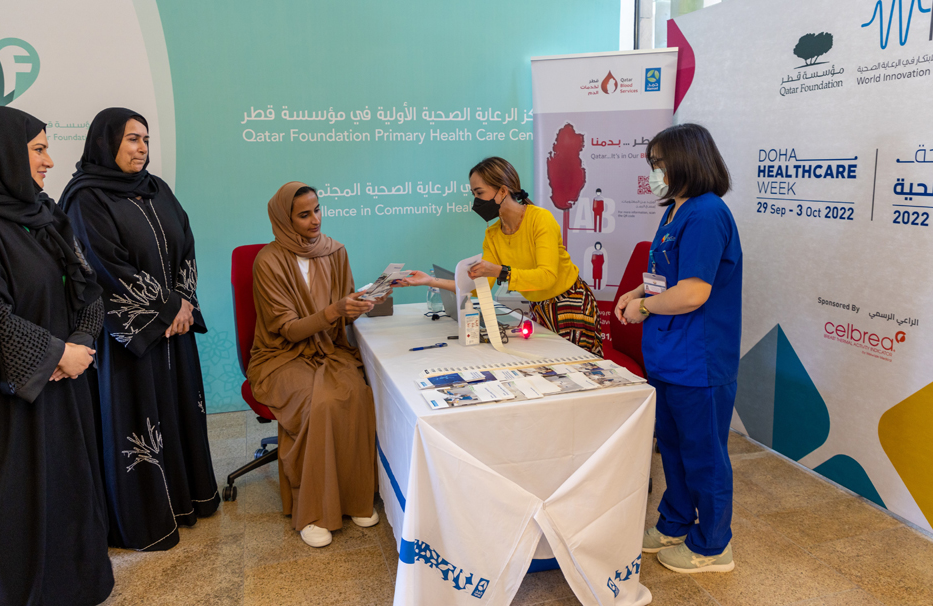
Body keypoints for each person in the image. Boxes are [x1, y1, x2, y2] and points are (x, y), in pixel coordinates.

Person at [0, 106, 114, 605]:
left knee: (69, 487)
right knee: (17, 503)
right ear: (0, 154)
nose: (49, 161)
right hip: (3, 401)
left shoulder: (42, 211)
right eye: (38, 149)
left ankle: (76, 584)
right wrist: (53, 357)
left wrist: (82, 344)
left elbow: (86, 286)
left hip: (64, 383)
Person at [60, 108, 219, 551]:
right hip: (129, 337)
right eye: (132, 139)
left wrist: (184, 304)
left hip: (175, 329)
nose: (142, 148)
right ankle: (147, 519)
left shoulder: (156, 189)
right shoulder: (84, 198)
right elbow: (103, 264)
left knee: (180, 409)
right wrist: (169, 307)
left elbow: (186, 245)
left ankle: (190, 500)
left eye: (145, 139)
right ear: (106, 142)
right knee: (139, 421)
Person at [614, 123, 742, 574]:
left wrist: (645, 307)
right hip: (668, 357)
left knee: (703, 454)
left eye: (659, 163)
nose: (654, 172)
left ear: (687, 160)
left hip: (699, 360)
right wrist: (635, 293)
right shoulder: (674, 212)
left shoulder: (707, 214)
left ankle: (712, 547)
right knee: (672, 447)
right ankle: (673, 523)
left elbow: (693, 292)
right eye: (652, 164)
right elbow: (664, 277)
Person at [247, 182, 383, 548]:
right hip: (280, 356)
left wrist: (358, 306)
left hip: (329, 348)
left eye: (318, 210)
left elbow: (344, 315)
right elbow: (289, 331)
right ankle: (313, 510)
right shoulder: (268, 261)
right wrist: (335, 310)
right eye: (304, 214)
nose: (314, 220)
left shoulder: (335, 251)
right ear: (284, 218)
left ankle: (355, 498)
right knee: (316, 402)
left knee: (357, 393)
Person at [401, 157, 603, 356]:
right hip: (540, 308)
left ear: (503, 191)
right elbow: (479, 288)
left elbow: (546, 277)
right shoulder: (493, 233)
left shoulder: (540, 219)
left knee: (580, 368)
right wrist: (430, 281)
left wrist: (500, 271)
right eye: (474, 194)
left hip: (571, 304)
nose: (476, 201)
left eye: (480, 193)